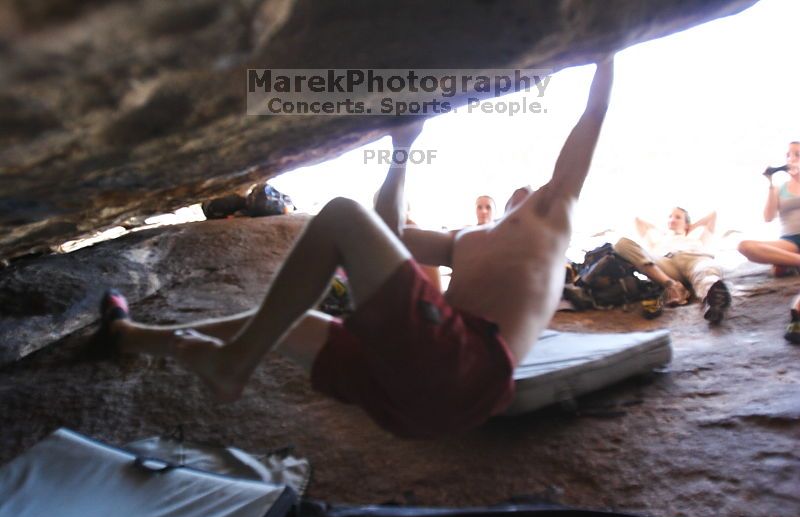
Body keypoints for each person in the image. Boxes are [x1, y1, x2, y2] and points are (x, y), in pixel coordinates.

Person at [91, 57, 615, 439]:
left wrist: (606, 56)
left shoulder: (552, 215)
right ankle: (129, 337)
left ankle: (233, 363)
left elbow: (591, 120)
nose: (526, 190)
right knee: (287, 321)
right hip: (415, 393)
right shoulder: (464, 239)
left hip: (465, 365)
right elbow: (387, 233)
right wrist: (402, 152)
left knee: (341, 213)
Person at [613, 207, 731, 324]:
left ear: (686, 224)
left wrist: (691, 227)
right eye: (670, 217)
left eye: (678, 217)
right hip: (666, 264)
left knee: (705, 269)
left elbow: (713, 215)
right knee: (622, 244)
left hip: (693, 259)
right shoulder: (658, 241)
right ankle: (672, 285)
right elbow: (638, 220)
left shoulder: (696, 239)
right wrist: (662, 230)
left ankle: (714, 299)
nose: (672, 220)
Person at [737, 142, 800, 275]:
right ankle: (793, 260)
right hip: (789, 242)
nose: (792, 159)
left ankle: (787, 262)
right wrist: (770, 183)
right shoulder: (778, 189)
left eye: (797, 155)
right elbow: (768, 217)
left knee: (779, 270)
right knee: (744, 246)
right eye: (788, 155)